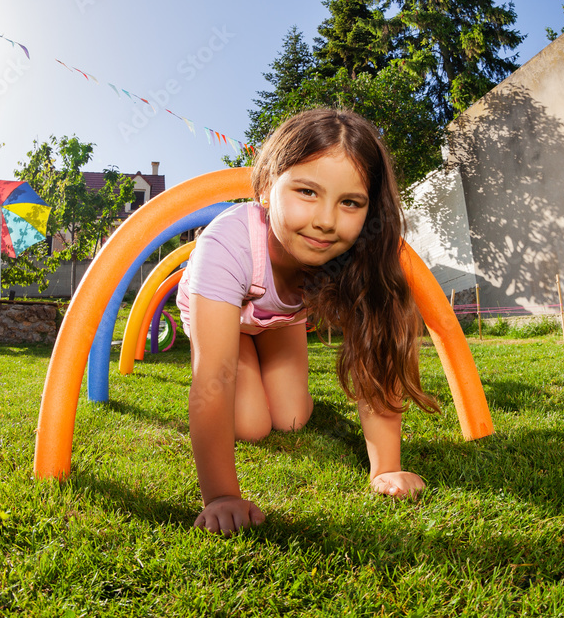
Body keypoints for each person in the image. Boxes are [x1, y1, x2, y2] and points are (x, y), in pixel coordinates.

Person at [176, 107, 441, 535]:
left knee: (292, 418)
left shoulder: (355, 256)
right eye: (307, 192)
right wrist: (221, 496)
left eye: (350, 202)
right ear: (266, 188)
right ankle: (251, 357)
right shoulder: (227, 245)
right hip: (222, 314)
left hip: (279, 322)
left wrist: (386, 469)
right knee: (251, 424)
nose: (325, 220)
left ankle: (268, 366)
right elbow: (214, 377)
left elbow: (374, 357)